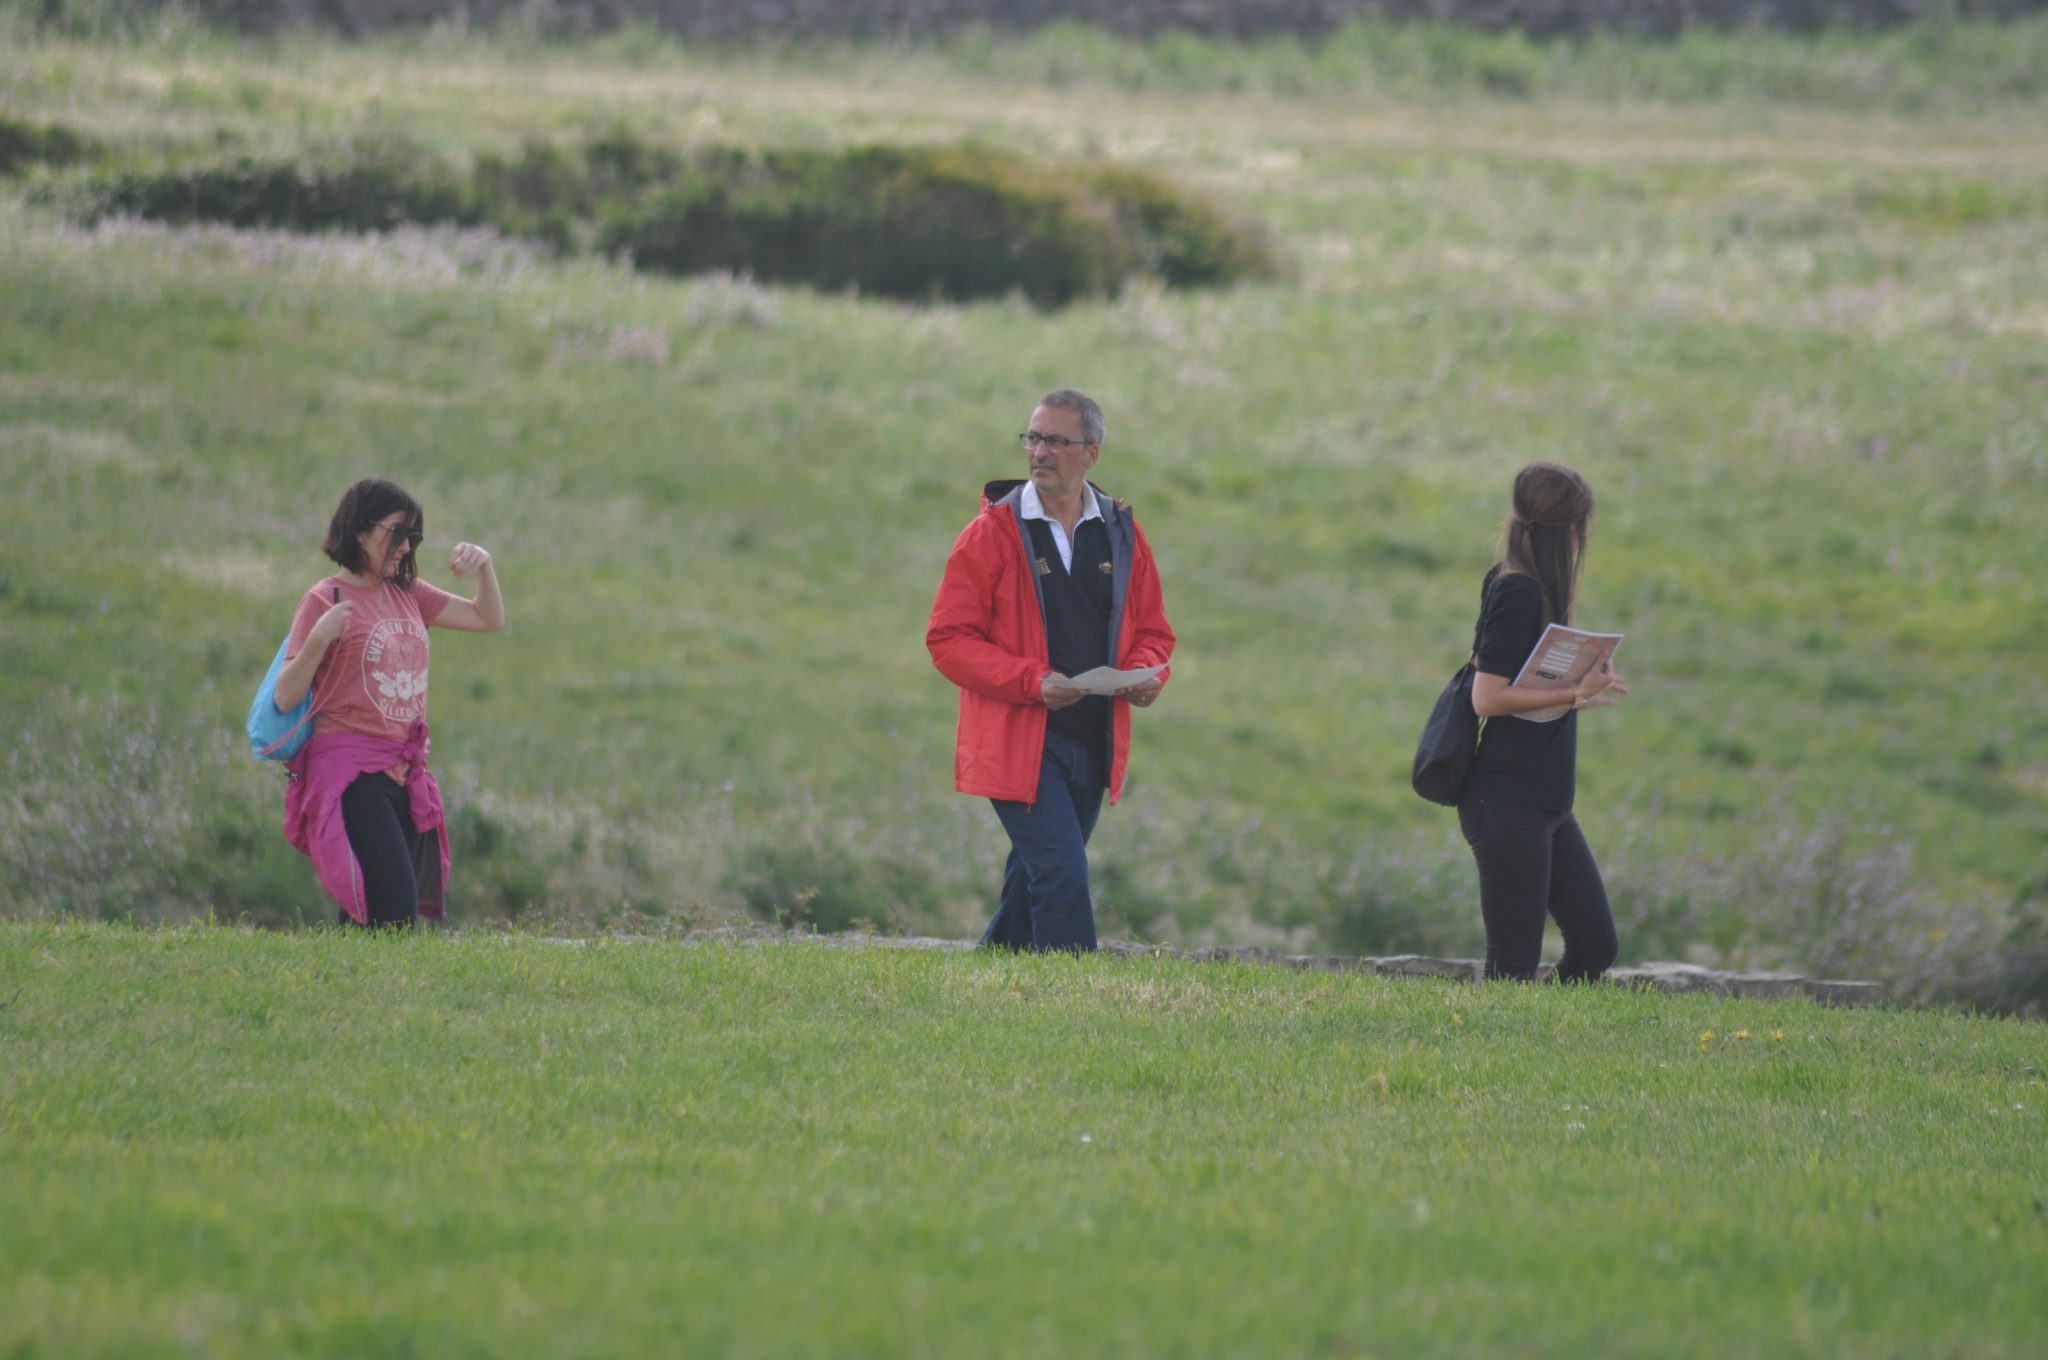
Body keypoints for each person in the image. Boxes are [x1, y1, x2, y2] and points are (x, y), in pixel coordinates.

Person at [926, 390, 1176, 952]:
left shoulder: (1123, 533)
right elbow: (947, 640)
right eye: (1033, 438)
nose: (1039, 451)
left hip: (1095, 738)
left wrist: (1143, 674)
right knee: (1062, 870)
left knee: (1034, 878)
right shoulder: (989, 534)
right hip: (1018, 739)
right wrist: (1031, 682)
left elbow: (1155, 631)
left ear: (1092, 453)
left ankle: (992, 977)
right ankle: (1080, 999)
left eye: (1056, 440)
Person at [272, 478, 504, 927]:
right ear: (360, 529)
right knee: (396, 907)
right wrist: (320, 637)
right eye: (396, 534)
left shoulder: (408, 592)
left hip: (402, 770)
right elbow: (286, 694)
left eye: (412, 537)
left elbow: (487, 617)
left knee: (371, 905)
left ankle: (343, 985)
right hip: (350, 771)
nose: (404, 547)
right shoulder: (324, 600)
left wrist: (485, 567)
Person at [1460, 462, 1628, 981]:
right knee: (1511, 970)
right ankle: (1490, 1055)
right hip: (1508, 801)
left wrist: (1579, 689)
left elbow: (1518, 682)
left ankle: (1547, 1040)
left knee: (1595, 947)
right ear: (1571, 535)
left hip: (1546, 801)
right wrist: (1576, 689)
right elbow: (1486, 697)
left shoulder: (1534, 589)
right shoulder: (1518, 590)